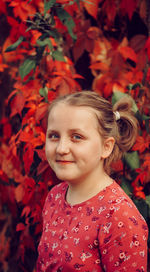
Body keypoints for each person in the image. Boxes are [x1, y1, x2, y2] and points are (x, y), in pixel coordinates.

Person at [36, 90, 148, 272]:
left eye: (77, 137)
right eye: (54, 135)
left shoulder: (119, 216)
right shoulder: (55, 197)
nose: (62, 148)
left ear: (106, 147)